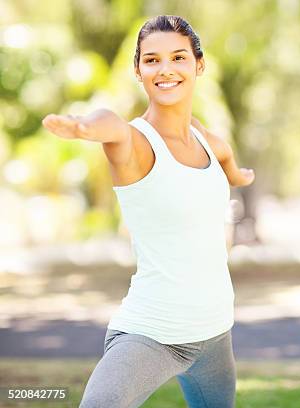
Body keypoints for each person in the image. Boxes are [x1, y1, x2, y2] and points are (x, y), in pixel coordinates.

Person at [42, 15, 254, 408]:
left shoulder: (203, 136)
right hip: (153, 335)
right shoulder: (135, 142)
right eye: (152, 60)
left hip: (215, 334)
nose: (166, 69)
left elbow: (223, 154)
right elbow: (111, 125)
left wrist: (237, 176)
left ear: (198, 65)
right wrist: (85, 126)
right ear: (138, 71)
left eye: (178, 57)